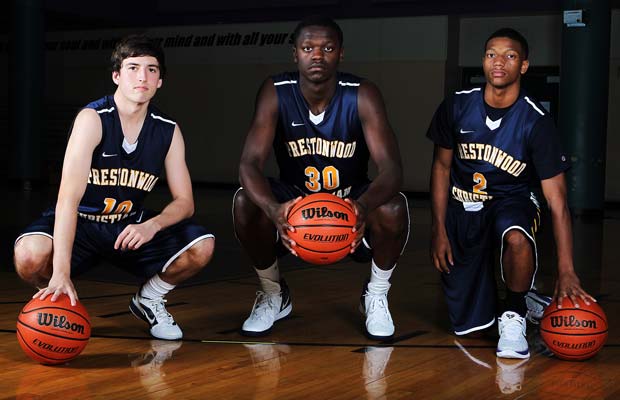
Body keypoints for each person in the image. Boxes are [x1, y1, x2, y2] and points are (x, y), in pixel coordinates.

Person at [13, 35, 215, 340]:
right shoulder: (93, 119)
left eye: (151, 69)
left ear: (160, 80)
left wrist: (153, 225)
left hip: (127, 229)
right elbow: (67, 198)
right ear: (116, 75)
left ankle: (149, 298)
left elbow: (185, 202)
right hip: (82, 224)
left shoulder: (167, 130)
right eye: (133, 67)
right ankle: (54, 297)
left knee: (202, 246)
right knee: (29, 254)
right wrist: (60, 272)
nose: (142, 77)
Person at [233, 15, 409, 339]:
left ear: (340, 53)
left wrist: (364, 207)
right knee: (245, 202)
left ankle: (376, 294)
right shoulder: (276, 92)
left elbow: (392, 169)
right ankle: (274, 293)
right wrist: (273, 209)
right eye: (308, 47)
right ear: (295, 53)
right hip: (294, 204)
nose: (317, 55)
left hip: (350, 200)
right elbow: (249, 163)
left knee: (395, 207)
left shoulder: (362, 93)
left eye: (327, 48)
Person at [427, 28, 596, 359]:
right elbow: (441, 169)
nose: (499, 63)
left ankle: (516, 312)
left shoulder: (536, 121)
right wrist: (438, 228)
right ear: (483, 61)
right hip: (464, 207)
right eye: (491, 54)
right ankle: (528, 299)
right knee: (469, 327)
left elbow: (557, 202)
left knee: (516, 235)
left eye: (510, 56)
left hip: (512, 201)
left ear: (524, 66)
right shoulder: (457, 106)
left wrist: (566, 268)